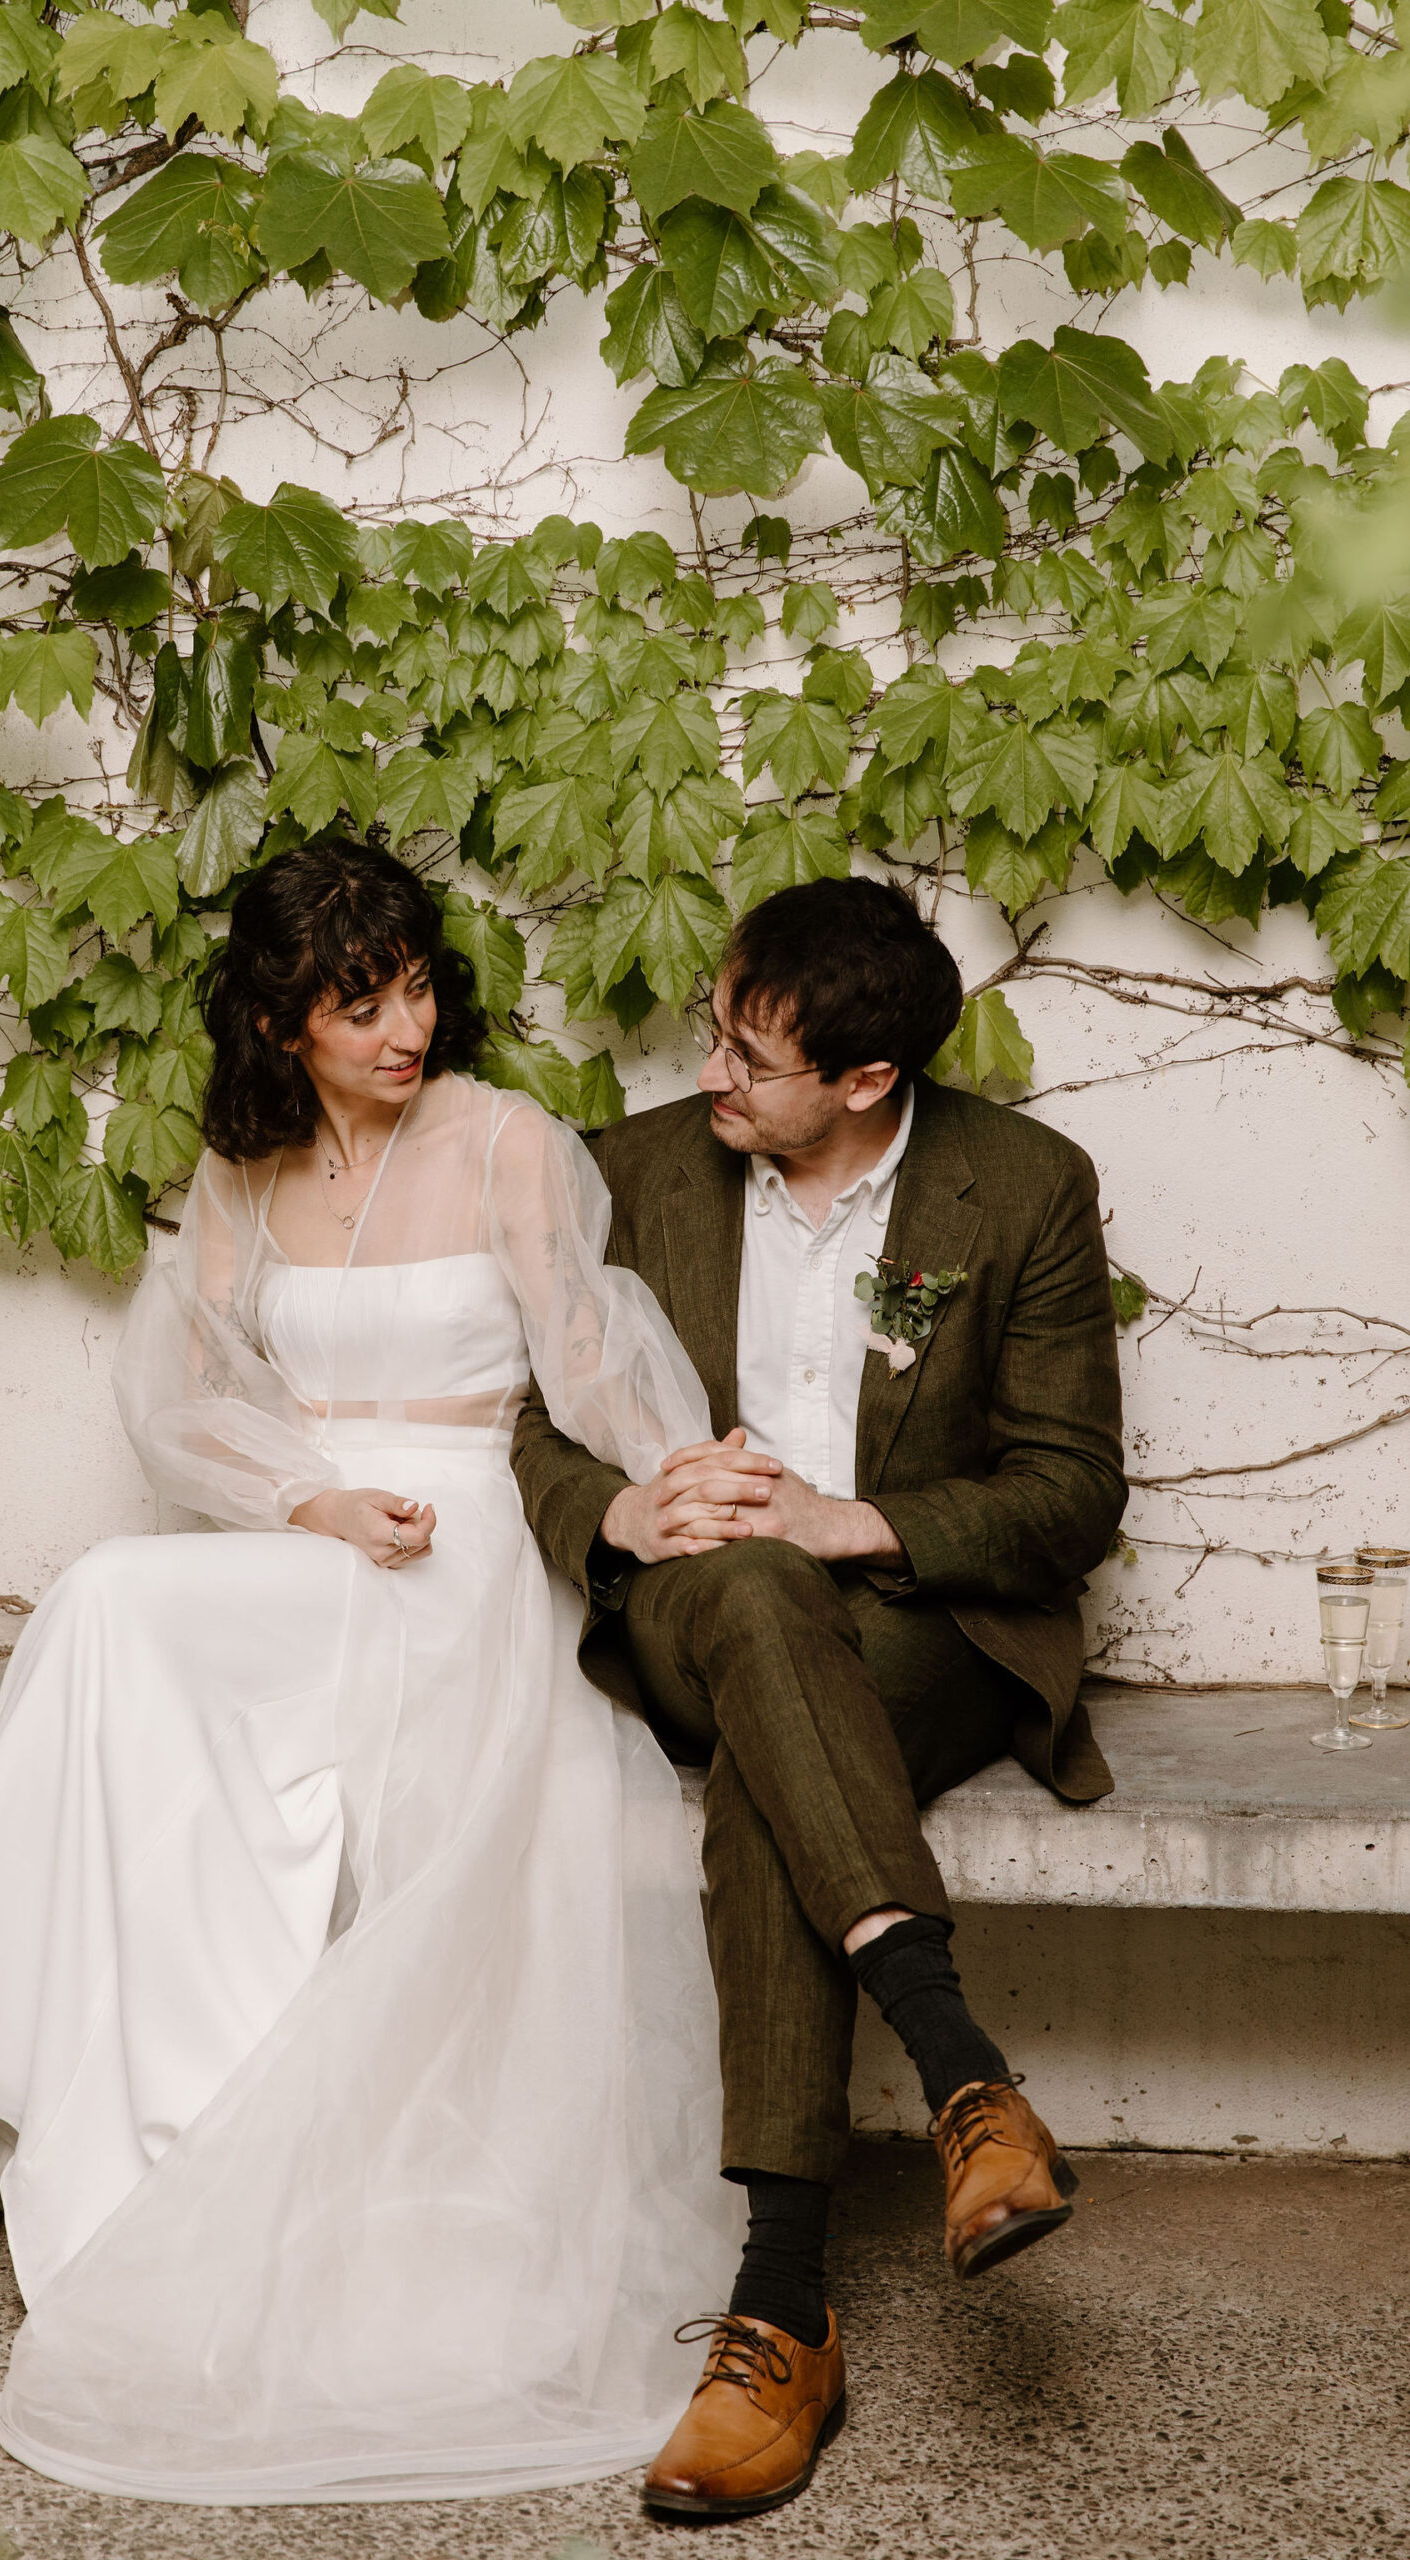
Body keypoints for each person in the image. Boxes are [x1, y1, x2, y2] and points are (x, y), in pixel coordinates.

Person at [0, 840, 743, 2504]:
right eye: (360, 1003)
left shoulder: (506, 1142)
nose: (404, 1026)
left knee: (115, 1611)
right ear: (278, 1025)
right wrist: (308, 1494)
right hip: (323, 1531)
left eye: (415, 985)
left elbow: (586, 1358)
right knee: (115, 1607)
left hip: (465, 1538)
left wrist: (671, 1480)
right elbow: (179, 1397)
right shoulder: (245, 1168)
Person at [514, 874, 1127, 2522]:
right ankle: (961, 2073)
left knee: (776, 1740)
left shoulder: (1022, 1186)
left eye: (752, 1057)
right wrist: (625, 1511)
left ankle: (782, 2310)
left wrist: (860, 1520)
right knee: (755, 1598)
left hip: (921, 1626)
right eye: (715, 1029)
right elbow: (527, 1428)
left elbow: (1073, 1493)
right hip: (692, 1611)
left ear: (867, 1081)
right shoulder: (630, 1174)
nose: (710, 1071)